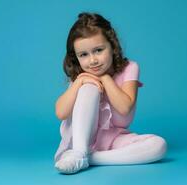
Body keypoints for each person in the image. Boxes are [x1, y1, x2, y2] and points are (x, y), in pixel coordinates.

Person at [54, 12, 167, 174]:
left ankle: (89, 158)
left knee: (159, 146)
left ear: (112, 46)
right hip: (82, 139)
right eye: (83, 55)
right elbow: (60, 113)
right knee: (89, 87)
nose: (93, 60)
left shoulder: (130, 68)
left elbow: (124, 108)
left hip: (114, 139)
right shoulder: (83, 77)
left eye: (98, 50)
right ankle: (79, 152)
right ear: (76, 57)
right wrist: (78, 82)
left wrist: (106, 78)